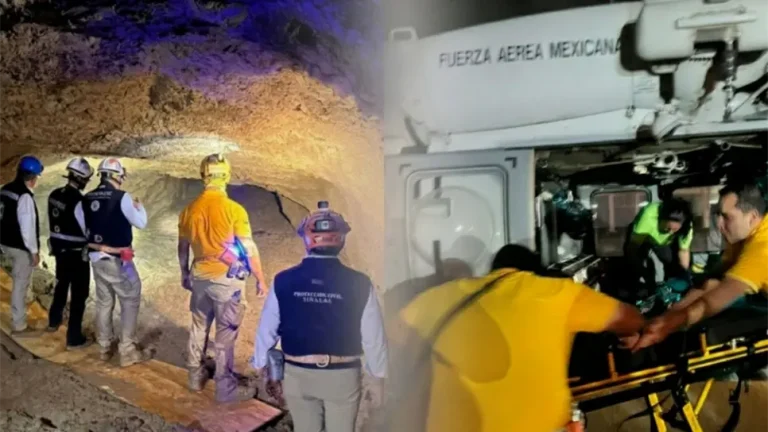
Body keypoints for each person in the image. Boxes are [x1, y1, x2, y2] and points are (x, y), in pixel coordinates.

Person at [385, 244, 645, 432]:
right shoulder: (555, 292)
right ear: (534, 272)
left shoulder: (442, 296)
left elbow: (389, 338)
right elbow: (632, 319)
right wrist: (629, 334)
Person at [252, 201, 388, 432]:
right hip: (342, 376)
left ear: (307, 239)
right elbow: (373, 336)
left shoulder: (283, 280)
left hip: (298, 374)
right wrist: (378, 376)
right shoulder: (360, 283)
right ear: (341, 240)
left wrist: (260, 364)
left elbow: (267, 329)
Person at [632, 180, 768, 351]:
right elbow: (711, 282)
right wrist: (666, 317)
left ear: (752, 217)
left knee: (711, 332)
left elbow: (714, 300)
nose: (719, 225)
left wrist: (664, 328)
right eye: (718, 215)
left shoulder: (763, 248)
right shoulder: (741, 239)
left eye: (726, 217)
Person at [178, 153, 268, 403]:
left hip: (199, 277)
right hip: (226, 281)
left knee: (199, 326)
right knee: (225, 334)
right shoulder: (234, 209)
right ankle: (225, 387)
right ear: (226, 176)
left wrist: (184, 273)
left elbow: (183, 247)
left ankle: (195, 376)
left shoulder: (188, 211)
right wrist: (260, 278)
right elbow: (248, 247)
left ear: (203, 176)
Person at [77, 157, 150, 367]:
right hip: (118, 259)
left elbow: (83, 228)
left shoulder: (86, 198)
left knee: (104, 302)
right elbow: (141, 223)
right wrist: (139, 207)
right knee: (130, 297)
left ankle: (104, 347)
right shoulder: (122, 197)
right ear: (116, 176)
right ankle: (127, 350)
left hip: (96, 258)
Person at [46, 157, 95, 349]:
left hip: (59, 251)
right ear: (80, 178)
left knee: (61, 284)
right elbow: (85, 229)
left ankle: (53, 321)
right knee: (79, 294)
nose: (86, 183)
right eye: (86, 179)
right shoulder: (79, 201)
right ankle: (74, 338)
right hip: (76, 255)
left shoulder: (54, 195)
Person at [0, 155, 44, 337]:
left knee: (17, 282)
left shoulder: (5, 189)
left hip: (4, 243)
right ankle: (19, 325)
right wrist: (34, 252)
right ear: (32, 178)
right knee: (20, 284)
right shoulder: (24, 196)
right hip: (19, 247)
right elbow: (27, 228)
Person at [625, 198, 694, 293]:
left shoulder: (686, 226)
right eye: (668, 228)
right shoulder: (648, 218)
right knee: (635, 268)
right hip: (642, 238)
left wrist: (684, 275)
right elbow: (633, 248)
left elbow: (684, 251)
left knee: (673, 264)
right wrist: (644, 274)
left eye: (675, 230)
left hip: (663, 243)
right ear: (660, 219)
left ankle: (669, 289)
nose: (670, 233)